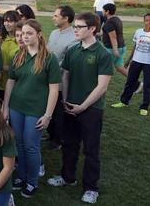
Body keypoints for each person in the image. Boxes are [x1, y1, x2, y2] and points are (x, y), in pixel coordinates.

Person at [47, 12, 113, 205]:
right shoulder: (73, 50)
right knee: (69, 144)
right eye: (75, 26)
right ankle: (68, 177)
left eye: (79, 27)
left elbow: (102, 86)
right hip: (70, 106)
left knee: (91, 150)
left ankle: (91, 188)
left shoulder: (102, 54)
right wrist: (66, 100)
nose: (75, 30)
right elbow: (65, 75)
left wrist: (82, 106)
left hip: (91, 109)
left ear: (92, 29)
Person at [3, 19, 60, 198]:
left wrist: (48, 115)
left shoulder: (49, 58)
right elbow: (11, 81)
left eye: (29, 33)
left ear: (39, 35)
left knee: (31, 146)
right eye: (23, 34)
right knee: (18, 144)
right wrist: (5, 106)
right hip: (16, 107)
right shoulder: (19, 55)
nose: (25, 37)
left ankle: (32, 182)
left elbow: (54, 89)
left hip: (36, 109)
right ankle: (21, 177)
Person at [112, 13, 150, 115]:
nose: (149, 22)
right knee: (130, 82)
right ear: (144, 21)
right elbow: (135, 46)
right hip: (136, 61)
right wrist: (128, 60)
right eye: (147, 20)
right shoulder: (138, 32)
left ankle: (144, 107)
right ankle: (124, 101)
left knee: (147, 85)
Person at [47, 5, 77, 149]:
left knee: (59, 112)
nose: (53, 18)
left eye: (56, 16)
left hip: (61, 81)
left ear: (66, 18)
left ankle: (58, 139)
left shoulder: (74, 38)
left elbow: (68, 64)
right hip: (47, 79)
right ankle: (51, 134)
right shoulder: (53, 33)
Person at [0, 10, 20, 97]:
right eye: (5, 21)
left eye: (10, 21)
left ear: (17, 22)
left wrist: (7, 68)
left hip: (14, 83)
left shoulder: (21, 41)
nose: (7, 24)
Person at [102, 3, 127, 76]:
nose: (102, 12)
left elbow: (113, 37)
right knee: (119, 67)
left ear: (107, 11)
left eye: (103, 10)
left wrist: (115, 50)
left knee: (104, 67)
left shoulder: (109, 23)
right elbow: (111, 32)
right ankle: (136, 82)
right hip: (122, 47)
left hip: (112, 49)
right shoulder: (117, 19)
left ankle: (100, 84)